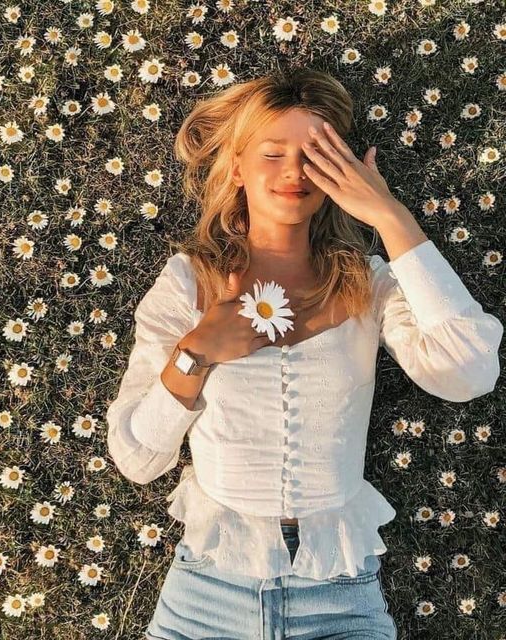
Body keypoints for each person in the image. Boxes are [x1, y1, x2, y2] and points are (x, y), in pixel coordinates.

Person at [106, 69, 503, 639]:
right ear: (237, 167)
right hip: (206, 596)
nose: (294, 172)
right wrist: (195, 353)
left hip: (340, 592)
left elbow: (470, 372)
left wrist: (389, 215)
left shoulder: (368, 284)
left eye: (315, 155)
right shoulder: (188, 284)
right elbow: (136, 458)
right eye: (273, 154)